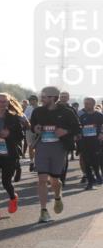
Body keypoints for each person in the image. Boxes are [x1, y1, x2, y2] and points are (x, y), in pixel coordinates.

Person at [30, 85, 81, 223]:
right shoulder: (38, 111)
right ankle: (43, 211)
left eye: (44, 97)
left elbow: (77, 128)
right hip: (42, 147)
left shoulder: (67, 112)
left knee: (54, 180)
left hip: (59, 148)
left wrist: (65, 131)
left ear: (53, 98)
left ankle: (57, 197)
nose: (41, 98)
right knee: (41, 179)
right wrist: (36, 128)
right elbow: (32, 125)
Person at [0, 93, 25, 220]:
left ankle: (13, 196)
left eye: (4, 101)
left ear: (8, 103)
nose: (1, 104)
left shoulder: (14, 118)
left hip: (9, 155)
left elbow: (20, 136)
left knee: (6, 182)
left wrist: (9, 134)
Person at [77, 97, 103, 189]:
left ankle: (97, 175)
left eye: (87, 103)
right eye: (85, 103)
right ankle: (90, 182)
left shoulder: (99, 115)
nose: (85, 105)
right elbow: (79, 128)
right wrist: (79, 134)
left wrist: (101, 134)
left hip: (96, 142)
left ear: (93, 104)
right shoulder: (82, 116)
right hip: (85, 142)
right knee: (86, 162)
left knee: (96, 161)